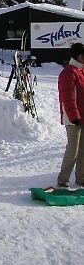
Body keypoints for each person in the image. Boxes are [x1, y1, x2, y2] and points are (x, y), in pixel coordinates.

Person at [57, 42, 84, 188]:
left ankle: (81, 179)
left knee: (83, 151)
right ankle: (63, 180)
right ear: (79, 56)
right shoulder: (69, 72)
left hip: (82, 117)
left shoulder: (80, 71)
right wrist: (75, 117)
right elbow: (67, 97)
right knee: (73, 150)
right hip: (73, 118)